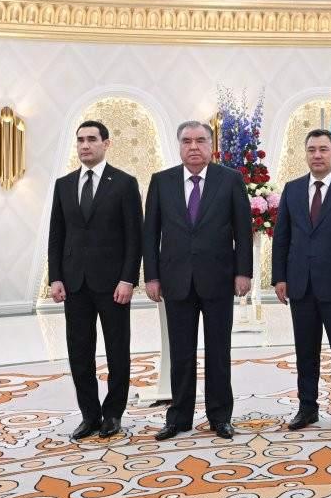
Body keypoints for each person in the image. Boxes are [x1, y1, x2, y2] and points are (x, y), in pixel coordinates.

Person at [142, 121, 252, 440]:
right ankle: (178, 418)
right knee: (181, 353)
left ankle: (220, 416)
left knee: (218, 352)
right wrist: (152, 276)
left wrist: (243, 272)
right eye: (187, 141)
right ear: (179, 146)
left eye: (200, 140)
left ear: (211, 146)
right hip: (175, 279)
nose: (193, 146)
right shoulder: (161, 181)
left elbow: (242, 229)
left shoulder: (230, 179)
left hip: (219, 278)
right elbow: (150, 233)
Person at [48, 120, 143, 441]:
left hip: (113, 284)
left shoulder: (124, 183)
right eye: (80, 140)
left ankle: (113, 414)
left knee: (117, 350)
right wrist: (55, 277)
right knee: (79, 352)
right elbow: (56, 235)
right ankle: (90, 415)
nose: (85, 145)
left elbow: (135, 237)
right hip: (74, 283)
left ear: (106, 144)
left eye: (91, 139)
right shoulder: (63, 184)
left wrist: (128, 279)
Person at [272, 129, 331, 432]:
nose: (317, 155)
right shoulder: (292, 189)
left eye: (323, 149)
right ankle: (307, 407)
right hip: (300, 284)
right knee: (305, 351)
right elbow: (282, 236)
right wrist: (279, 277)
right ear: (305, 154)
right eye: (312, 149)